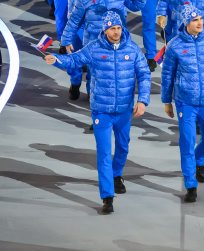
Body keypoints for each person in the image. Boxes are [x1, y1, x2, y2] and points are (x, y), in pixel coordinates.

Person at [45, 12, 150, 215]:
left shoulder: (132, 48)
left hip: (124, 110)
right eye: (112, 28)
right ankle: (107, 196)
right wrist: (56, 60)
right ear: (105, 29)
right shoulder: (94, 48)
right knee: (103, 152)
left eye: (118, 28)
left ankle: (117, 174)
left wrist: (143, 100)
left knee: (123, 146)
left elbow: (144, 74)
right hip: (101, 110)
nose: (116, 32)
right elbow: (74, 60)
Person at [161, 5, 204, 202]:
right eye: (195, 20)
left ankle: (199, 161)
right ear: (186, 23)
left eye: (200, 19)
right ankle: (190, 183)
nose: (200, 22)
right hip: (186, 102)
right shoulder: (175, 46)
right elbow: (167, 74)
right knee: (187, 141)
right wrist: (167, 101)